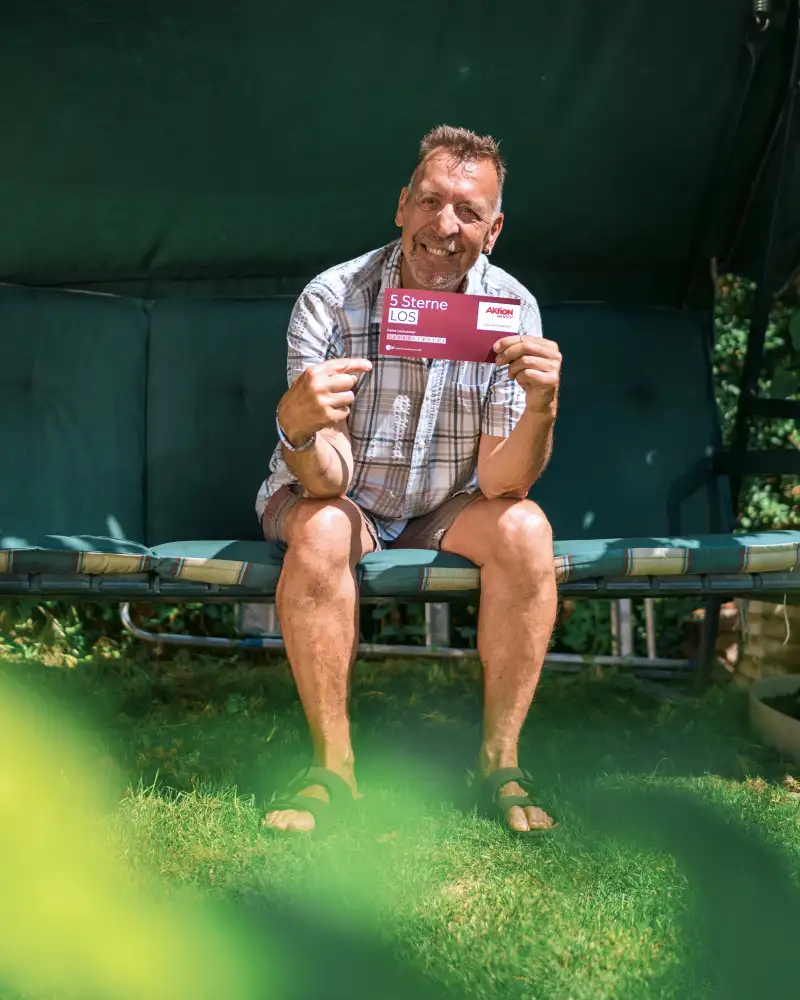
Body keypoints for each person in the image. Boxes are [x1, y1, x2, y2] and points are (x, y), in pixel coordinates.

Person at [255, 125, 561, 836]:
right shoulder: (332, 298)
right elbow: (326, 481)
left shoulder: (511, 307)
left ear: (495, 230)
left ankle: (500, 765)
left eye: (469, 213)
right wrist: (296, 424)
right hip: (335, 495)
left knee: (527, 527)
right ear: (401, 206)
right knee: (327, 525)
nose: (445, 227)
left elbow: (501, 480)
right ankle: (333, 772)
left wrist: (542, 406)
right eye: (430, 202)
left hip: (447, 502)